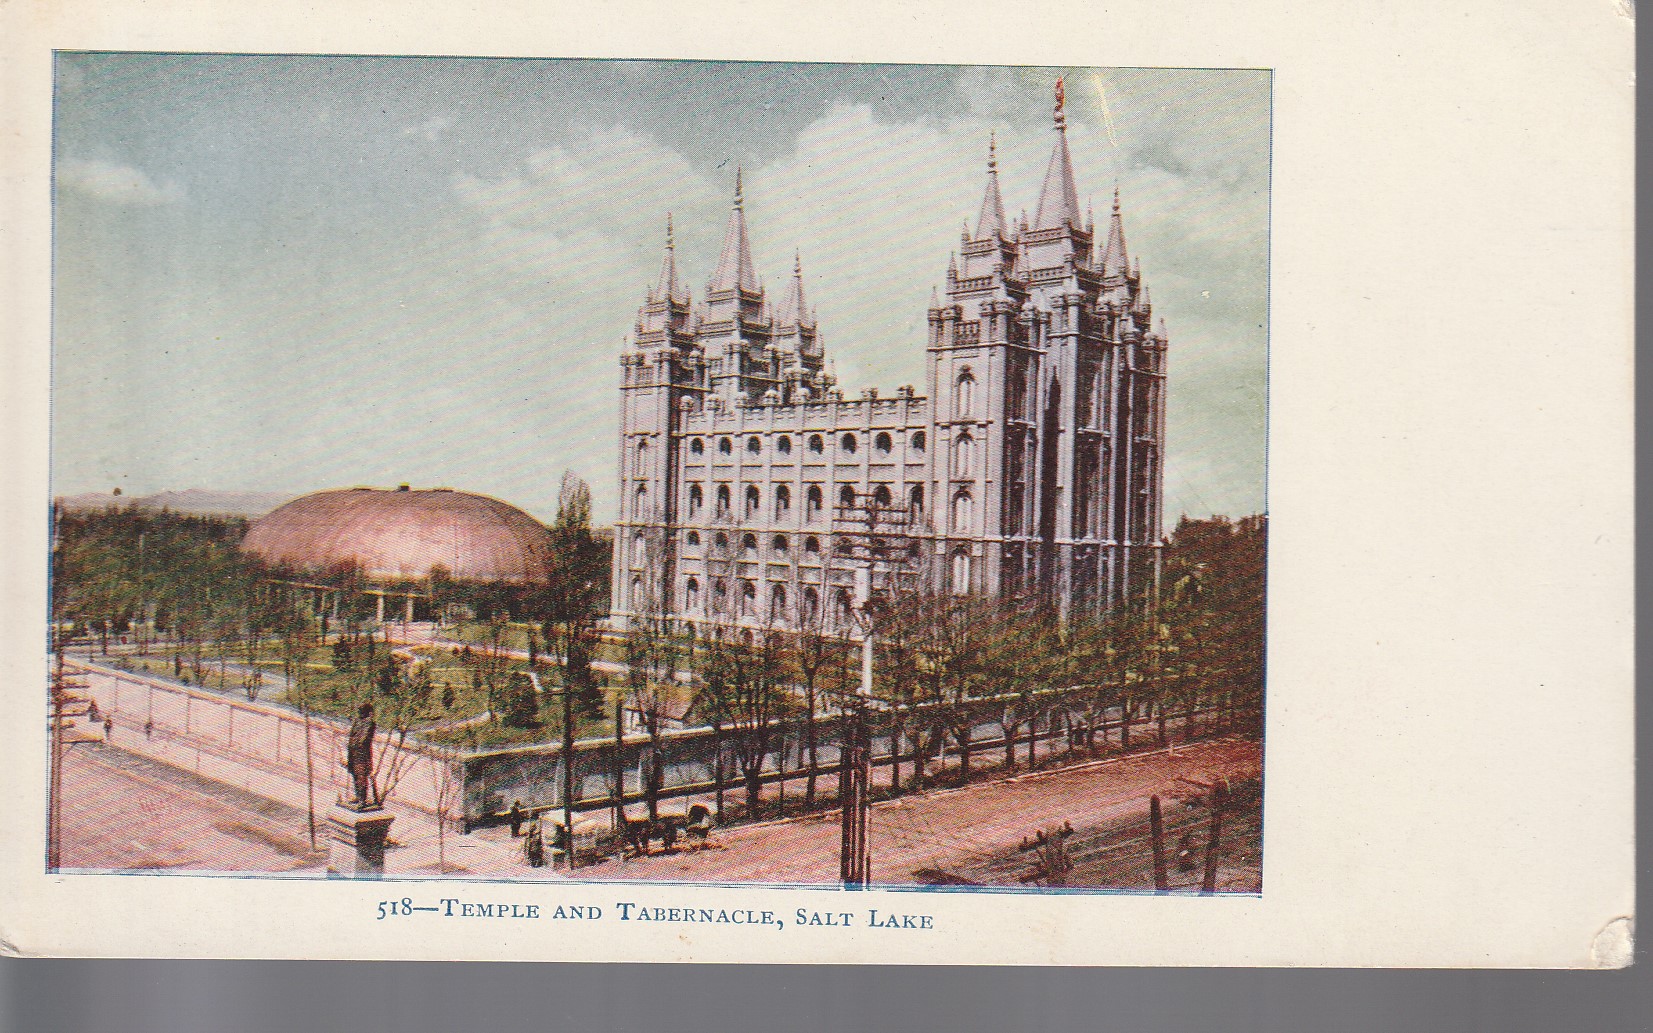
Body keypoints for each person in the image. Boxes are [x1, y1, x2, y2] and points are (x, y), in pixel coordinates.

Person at [345, 703, 376, 807]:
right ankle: (358, 796)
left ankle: (363, 800)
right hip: (353, 752)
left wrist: (356, 744)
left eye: (361, 710)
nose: (359, 712)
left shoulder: (369, 722)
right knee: (354, 774)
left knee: (361, 776)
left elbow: (364, 738)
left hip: (362, 754)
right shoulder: (357, 721)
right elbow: (352, 734)